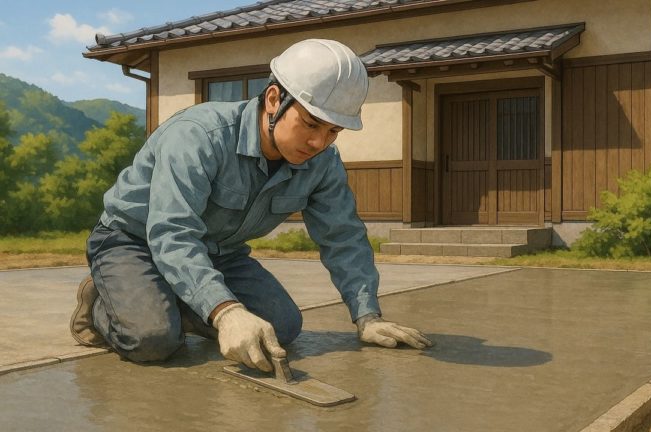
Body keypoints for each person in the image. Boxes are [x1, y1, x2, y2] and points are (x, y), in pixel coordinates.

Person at [70, 39, 433, 372]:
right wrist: (226, 311)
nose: (319, 142)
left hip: (220, 252)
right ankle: (103, 302)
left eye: (333, 131)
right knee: (154, 340)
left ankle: (172, 298)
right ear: (274, 100)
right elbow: (171, 232)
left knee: (283, 326)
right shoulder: (199, 137)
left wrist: (367, 316)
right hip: (134, 242)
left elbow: (344, 236)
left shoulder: (323, 162)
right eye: (310, 123)